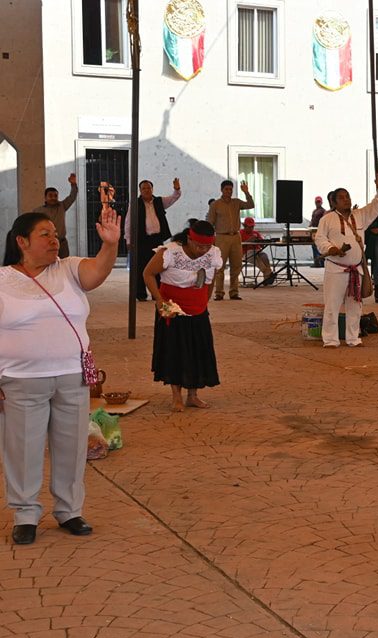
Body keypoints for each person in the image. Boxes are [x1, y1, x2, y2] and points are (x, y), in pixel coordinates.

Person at [0, 206, 121, 545]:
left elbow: (96, 272)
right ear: (22, 241)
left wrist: (110, 245)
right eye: (45, 234)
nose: (54, 240)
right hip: (21, 380)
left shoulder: (67, 269)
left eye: (55, 234)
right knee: (23, 448)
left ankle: (69, 511)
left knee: (71, 447)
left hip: (72, 376)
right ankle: (25, 513)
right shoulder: (3, 279)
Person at [143, 220, 223, 412]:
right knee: (176, 352)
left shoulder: (213, 254)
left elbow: (211, 279)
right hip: (173, 310)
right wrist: (159, 300)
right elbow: (147, 274)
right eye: (199, 246)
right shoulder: (170, 252)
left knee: (197, 351)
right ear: (189, 239)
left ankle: (192, 396)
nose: (203, 250)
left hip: (198, 310)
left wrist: (206, 300)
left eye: (207, 246)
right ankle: (176, 396)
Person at [314, 173, 378, 347]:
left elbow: (377, 206)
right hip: (335, 269)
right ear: (333, 202)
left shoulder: (360, 215)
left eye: (347, 196)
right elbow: (319, 239)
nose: (346, 199)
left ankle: (353, 338)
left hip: (356, 268)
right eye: (341, 197)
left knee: (355, 306)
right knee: (332, 305)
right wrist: (331, 249)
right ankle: (330, 340)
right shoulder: (327, 219)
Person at [126, 178, 181, 301]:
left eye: (148, 188)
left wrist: (176, 189)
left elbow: (174, 198)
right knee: (140, 267)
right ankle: (140, 294)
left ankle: (157, 293)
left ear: (152, 189)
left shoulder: (159, 201)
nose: (146, 190)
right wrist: (128, 240)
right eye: (144, 188)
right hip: (142, 240)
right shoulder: (135, 203)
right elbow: (128, 223)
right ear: (140, 190)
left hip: (157, 240)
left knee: (158, 266)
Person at [206, 179, 254, 300]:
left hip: (236, 236)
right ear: (221, 190)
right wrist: (209, 239)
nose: (229, 191)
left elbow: (250, 205)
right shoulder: (215, 204)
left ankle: (234, 292)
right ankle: (219, 293)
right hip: (222, 236)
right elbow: (210, 222)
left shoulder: (236, 202)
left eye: (231, 189)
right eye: (226, 189)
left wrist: (246, 192)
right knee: (220, 266)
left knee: (236, 265)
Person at [32, 173, 78, 258]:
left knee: (64, 265)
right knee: (48, 265)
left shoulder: (62, 206)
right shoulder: (37, 211)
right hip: (46, 243)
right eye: (50, 196)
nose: (53, 198)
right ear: (45, 198)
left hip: (62, 243)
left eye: (55, 196)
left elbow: (72, 196)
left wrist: (73, 184)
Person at [239, 217, 275, 286]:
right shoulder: (240, 233)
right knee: (253, 256)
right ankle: (268, 273)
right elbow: (238, 245)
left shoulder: (256, 233)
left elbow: (262, 246)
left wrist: (261, 241)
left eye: (252, 227)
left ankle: (267, 277)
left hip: (257, 251)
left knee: (264, 256)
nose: (251, 229)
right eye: (249, 227)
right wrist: (250, 240)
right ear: (244, 226)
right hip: (246, 252)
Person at [310, 196, 327, 268]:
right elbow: (312, 220)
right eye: (317, 202)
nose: (318, 203)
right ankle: (316, 262)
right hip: (313, 231)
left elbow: (324, 221)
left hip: (319, 231)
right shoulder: (314, 211)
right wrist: (309, 227)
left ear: (322, 202)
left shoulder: (323, 211)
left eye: (319, 202)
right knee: (314, 246)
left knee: (319, 246)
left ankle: (321, 263)